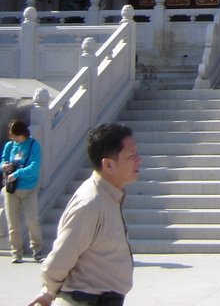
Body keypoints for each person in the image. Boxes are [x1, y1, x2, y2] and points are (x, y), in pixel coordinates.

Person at [29, 122, 141, 306]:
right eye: (131, 155)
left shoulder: (109, 196)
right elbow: (61, 257)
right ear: (108, 165)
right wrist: (48, 292)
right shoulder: (91, 203)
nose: (138, 160)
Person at [3, 120, 44, 264]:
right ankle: (16, 252)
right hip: (11, 189)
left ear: (22, 133)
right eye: (12, 136)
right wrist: (4, 166)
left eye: (16, 136)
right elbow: (2, 160)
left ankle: (37, 250)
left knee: (32, 221)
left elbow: (34, 167)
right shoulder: (10, 146)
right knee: (13, 223)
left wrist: (17, 173)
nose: (14, 139)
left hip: (28, 189)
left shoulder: (33, 145)